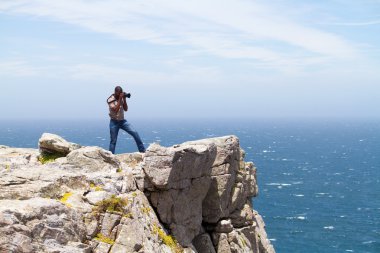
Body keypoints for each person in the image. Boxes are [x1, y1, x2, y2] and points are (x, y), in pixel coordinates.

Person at [107, 86, 146, 154]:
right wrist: (119, 99)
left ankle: (142, 151)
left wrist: (124, 99)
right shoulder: (110, 99)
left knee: (135, 133)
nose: (120, 94)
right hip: (114, 122)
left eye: (121, 93)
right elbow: (116, 110)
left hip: (122, 121)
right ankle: (111, 156)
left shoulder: (121, 98)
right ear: (115, 92)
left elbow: (126, 109)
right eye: (119, 93)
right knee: (113, 141)